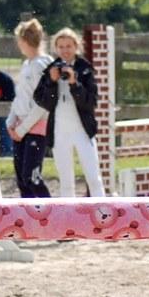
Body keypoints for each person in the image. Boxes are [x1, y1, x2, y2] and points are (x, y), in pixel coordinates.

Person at [33, 27, 105, 197]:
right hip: (59, 130)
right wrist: (51, 81)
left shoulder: (85, 69)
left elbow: (90, 102)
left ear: (76, 46)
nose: (65, 50)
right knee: (66, 181)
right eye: (61, 46)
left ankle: (104, 215)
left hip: (82, 130)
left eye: (69, 46)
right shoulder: (51, 69)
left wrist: (74, 83)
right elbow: (41, 100)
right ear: (56, 48)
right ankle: (68, 219)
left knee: (93, 178)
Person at [5, 18, 52, 197]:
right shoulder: (27, 64)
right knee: (22, 179)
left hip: (35, 126)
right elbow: (21, 97)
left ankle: (51, 212)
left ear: (24, 41)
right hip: (21, 126)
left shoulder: (41, 65)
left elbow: (42, 103)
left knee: (32, 177)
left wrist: (23, 129)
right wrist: (11, 121)